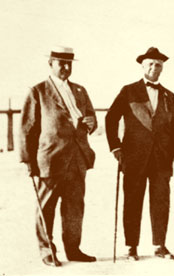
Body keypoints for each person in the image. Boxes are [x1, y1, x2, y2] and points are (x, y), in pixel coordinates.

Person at [19, 46, 97, 266]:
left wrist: (91, 123)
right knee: (46, 207)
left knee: (75, 207)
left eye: (69, 63)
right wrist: (27, 160)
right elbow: (27, 128)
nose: (65, 67)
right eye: (60, 63)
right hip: (51, 159)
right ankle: (47, 250)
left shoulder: (80, 91)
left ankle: (73, 249)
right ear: (50, 64)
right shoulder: (38, 91)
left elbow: (91, 118)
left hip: (77, 158)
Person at [105, 47, 174, 261]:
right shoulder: (128, 91)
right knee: (132, 201)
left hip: (162, 159)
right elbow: (111, 118)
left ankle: (159, 245)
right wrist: (116, 147)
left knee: (161, 201)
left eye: (158, 64)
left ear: (162, 68)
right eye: (150, 63)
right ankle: (131, 246)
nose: (154, 68)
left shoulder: (170, 96)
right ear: (142, 65)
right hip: (133, 158)